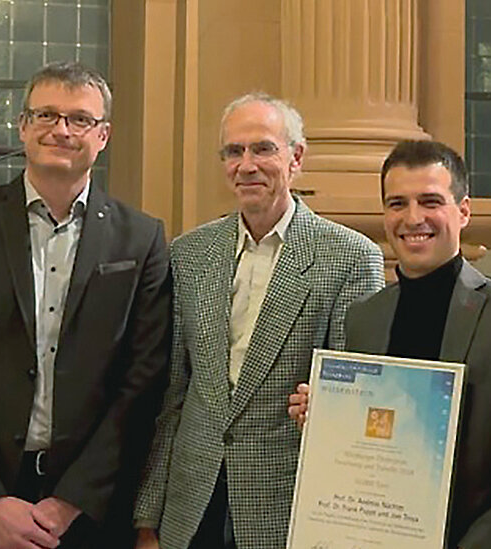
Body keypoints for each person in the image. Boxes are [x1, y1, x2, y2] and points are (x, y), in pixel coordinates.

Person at [0, 61, 171, 549]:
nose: (61, 130)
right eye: (46, 115)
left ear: (104, 136)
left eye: (80, 119)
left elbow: (143, 381)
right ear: (23, 126)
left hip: (90, 508)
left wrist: (72, 500)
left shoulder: (141, 238)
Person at [133, 92, 385, 549]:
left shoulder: (350, 257)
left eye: (263, 149)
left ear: (296, 157)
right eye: (234, 151)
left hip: (285, 506)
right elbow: (173, 394)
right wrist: (148, 516)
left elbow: (355, 401)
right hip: (192, 504)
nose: (246, 165)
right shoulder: (189, 254)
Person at [288, 140, 491, 548]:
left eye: (430, 201)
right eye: (397, 204)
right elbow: (374, 440)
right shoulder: (365, 318)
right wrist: (329, 418)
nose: (413, 218)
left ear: (464, 211)